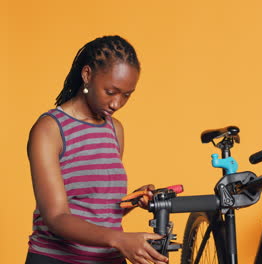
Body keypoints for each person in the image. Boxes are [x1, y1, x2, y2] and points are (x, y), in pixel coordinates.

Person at [25, 35, 168, 264]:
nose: (116, 104)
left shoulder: (115, 129)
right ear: (87, 75)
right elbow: (56, 217)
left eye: (126, 95)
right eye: (111, 92)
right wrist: (120, 240)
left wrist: (131, 200)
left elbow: (98, 210)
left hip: (109, 259)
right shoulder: (50, 130)